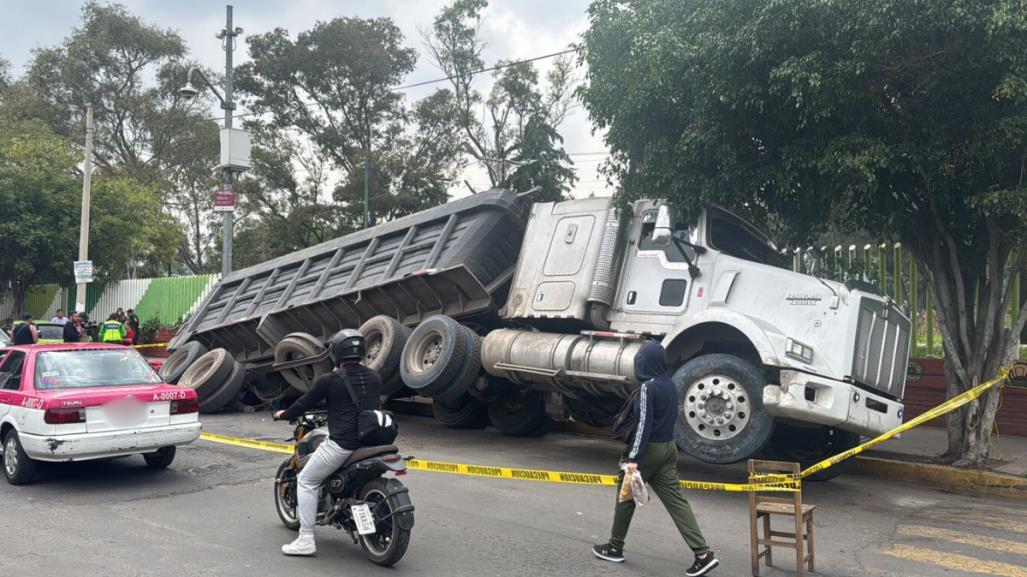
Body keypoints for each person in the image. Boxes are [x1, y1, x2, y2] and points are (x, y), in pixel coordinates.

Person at [592, 341, 719, 577]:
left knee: (625, 498)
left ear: (644, 362)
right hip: (668, 449)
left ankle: (614, 547)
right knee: (676, 501)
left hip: (647, 450)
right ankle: (703, 554)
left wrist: (632, 458)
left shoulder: (647, 388)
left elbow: (643, 425)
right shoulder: (670, 385)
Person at [273, 329, 383, 557]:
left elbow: (304, 402)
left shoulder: (329, 380)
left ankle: (305, 539)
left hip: (343, 444)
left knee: (306, 480)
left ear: (336, 352)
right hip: (372, 441)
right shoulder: (374, 377)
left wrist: (283, 414)